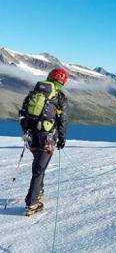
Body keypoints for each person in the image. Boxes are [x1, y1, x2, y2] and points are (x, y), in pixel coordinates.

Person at [19, 68, 69, 216]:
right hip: (46, 138)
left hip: (31, 136)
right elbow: (63, 120)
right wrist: (61, 138)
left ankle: (38, 192)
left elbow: (23, 113)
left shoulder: (34, 93)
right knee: (39, 169)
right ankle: (32, 203)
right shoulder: (60, 97)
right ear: (62, 82)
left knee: (38, 165)